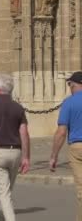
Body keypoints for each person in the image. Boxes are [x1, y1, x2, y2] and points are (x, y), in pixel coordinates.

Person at [0, 74, 30, 221]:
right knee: (6, 191)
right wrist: (26, 157)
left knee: (4, 193)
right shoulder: (18, 108)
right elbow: (24, 132)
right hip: (15, 152)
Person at [50, 71, 82, 220]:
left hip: (77, 147)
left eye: (70, 85)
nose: (70, 88)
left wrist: (54, 156)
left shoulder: (69, 102)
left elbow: (61, 132)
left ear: (76, 85)